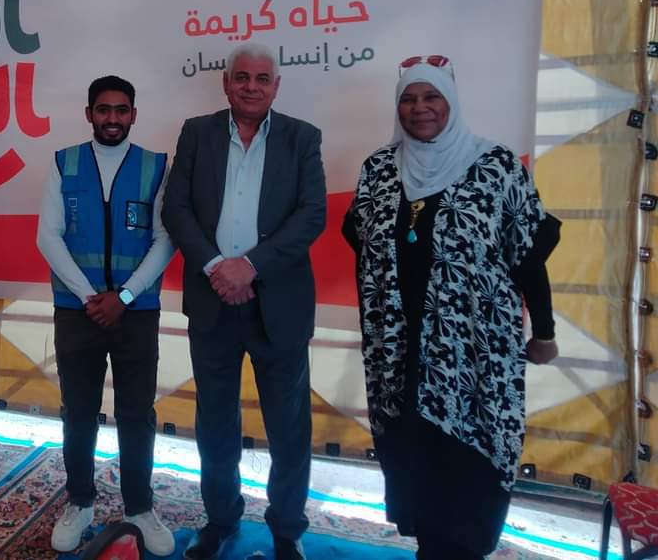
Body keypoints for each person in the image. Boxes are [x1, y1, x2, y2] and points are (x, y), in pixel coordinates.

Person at [342, 56, 560, 560]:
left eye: (431, 97)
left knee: (469, 473)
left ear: (452, 102)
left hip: (473, 355)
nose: (419, 108)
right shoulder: (379, 169)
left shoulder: (495, 167)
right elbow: (359, 236)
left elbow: (528, 255)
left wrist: (544, 332)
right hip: (400, 352)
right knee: (416, 467)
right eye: (408, 99)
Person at [162, 42, 326, 560]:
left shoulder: (302, 138)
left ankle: (287, 531)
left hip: (280, 306)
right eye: (242, 77)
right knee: (215, 422)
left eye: (261, 79)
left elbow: (312, 214)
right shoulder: (197, 133)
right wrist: (218, 267)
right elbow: (176, 208)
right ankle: (220, 519)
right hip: (213, 300)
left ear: (276, 86)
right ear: (226, 83)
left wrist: (249, 266)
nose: (251, 86)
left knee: (288, 427)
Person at [37, 75, 176, 557]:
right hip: (77, 312)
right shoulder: (65, 163)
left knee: (136, 413)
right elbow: (48, 236)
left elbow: (166, 238)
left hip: (137, 313)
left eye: (121, 110)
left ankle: (139, 508)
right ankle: (80, 502)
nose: (112, 118)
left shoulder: (156, 167)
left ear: (133, 115)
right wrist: (91, 296)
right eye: (103, 109)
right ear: (89, 113)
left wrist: (126, 296)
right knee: (78, 411)